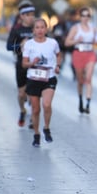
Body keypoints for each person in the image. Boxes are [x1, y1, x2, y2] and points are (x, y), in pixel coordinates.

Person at [21, 18, 62, 147]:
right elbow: (24, 64)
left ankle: (46, 127)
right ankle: (37, 134)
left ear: (46, 29)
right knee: (35, 109)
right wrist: (32, 63)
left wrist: (57, 65)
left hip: (49, 77)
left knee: (47, 104)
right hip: (33, 78)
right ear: (33, 30)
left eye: (42, 27)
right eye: (37, 27)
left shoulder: (53, 43)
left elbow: (59, 55)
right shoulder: (29, 44)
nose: (40, 30)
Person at [65, 7, 97, 114]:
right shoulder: (76, 28)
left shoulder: (93, 28)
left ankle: (88, 104)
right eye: (83, 16)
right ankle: (80, 99)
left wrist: (96, 41)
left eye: (87, 16)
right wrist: (76, 40)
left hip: (90, 54)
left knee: (88, 78)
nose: (85, 18)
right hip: (78, 54)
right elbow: (67, 42)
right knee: (80, 80)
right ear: (80, 17)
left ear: (89, 17)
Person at [6, 3, 36, 127]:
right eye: (28, 15)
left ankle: (33, 118)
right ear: (22, 16)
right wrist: (20, 45)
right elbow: (8, 46)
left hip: (35, 65)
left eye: (32, 15)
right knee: (22, 94)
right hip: (21, 64)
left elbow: (48, 42)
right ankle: (23, 110)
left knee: (33, 93)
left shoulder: (37, 28)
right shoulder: (16, 29)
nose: (31, 18)